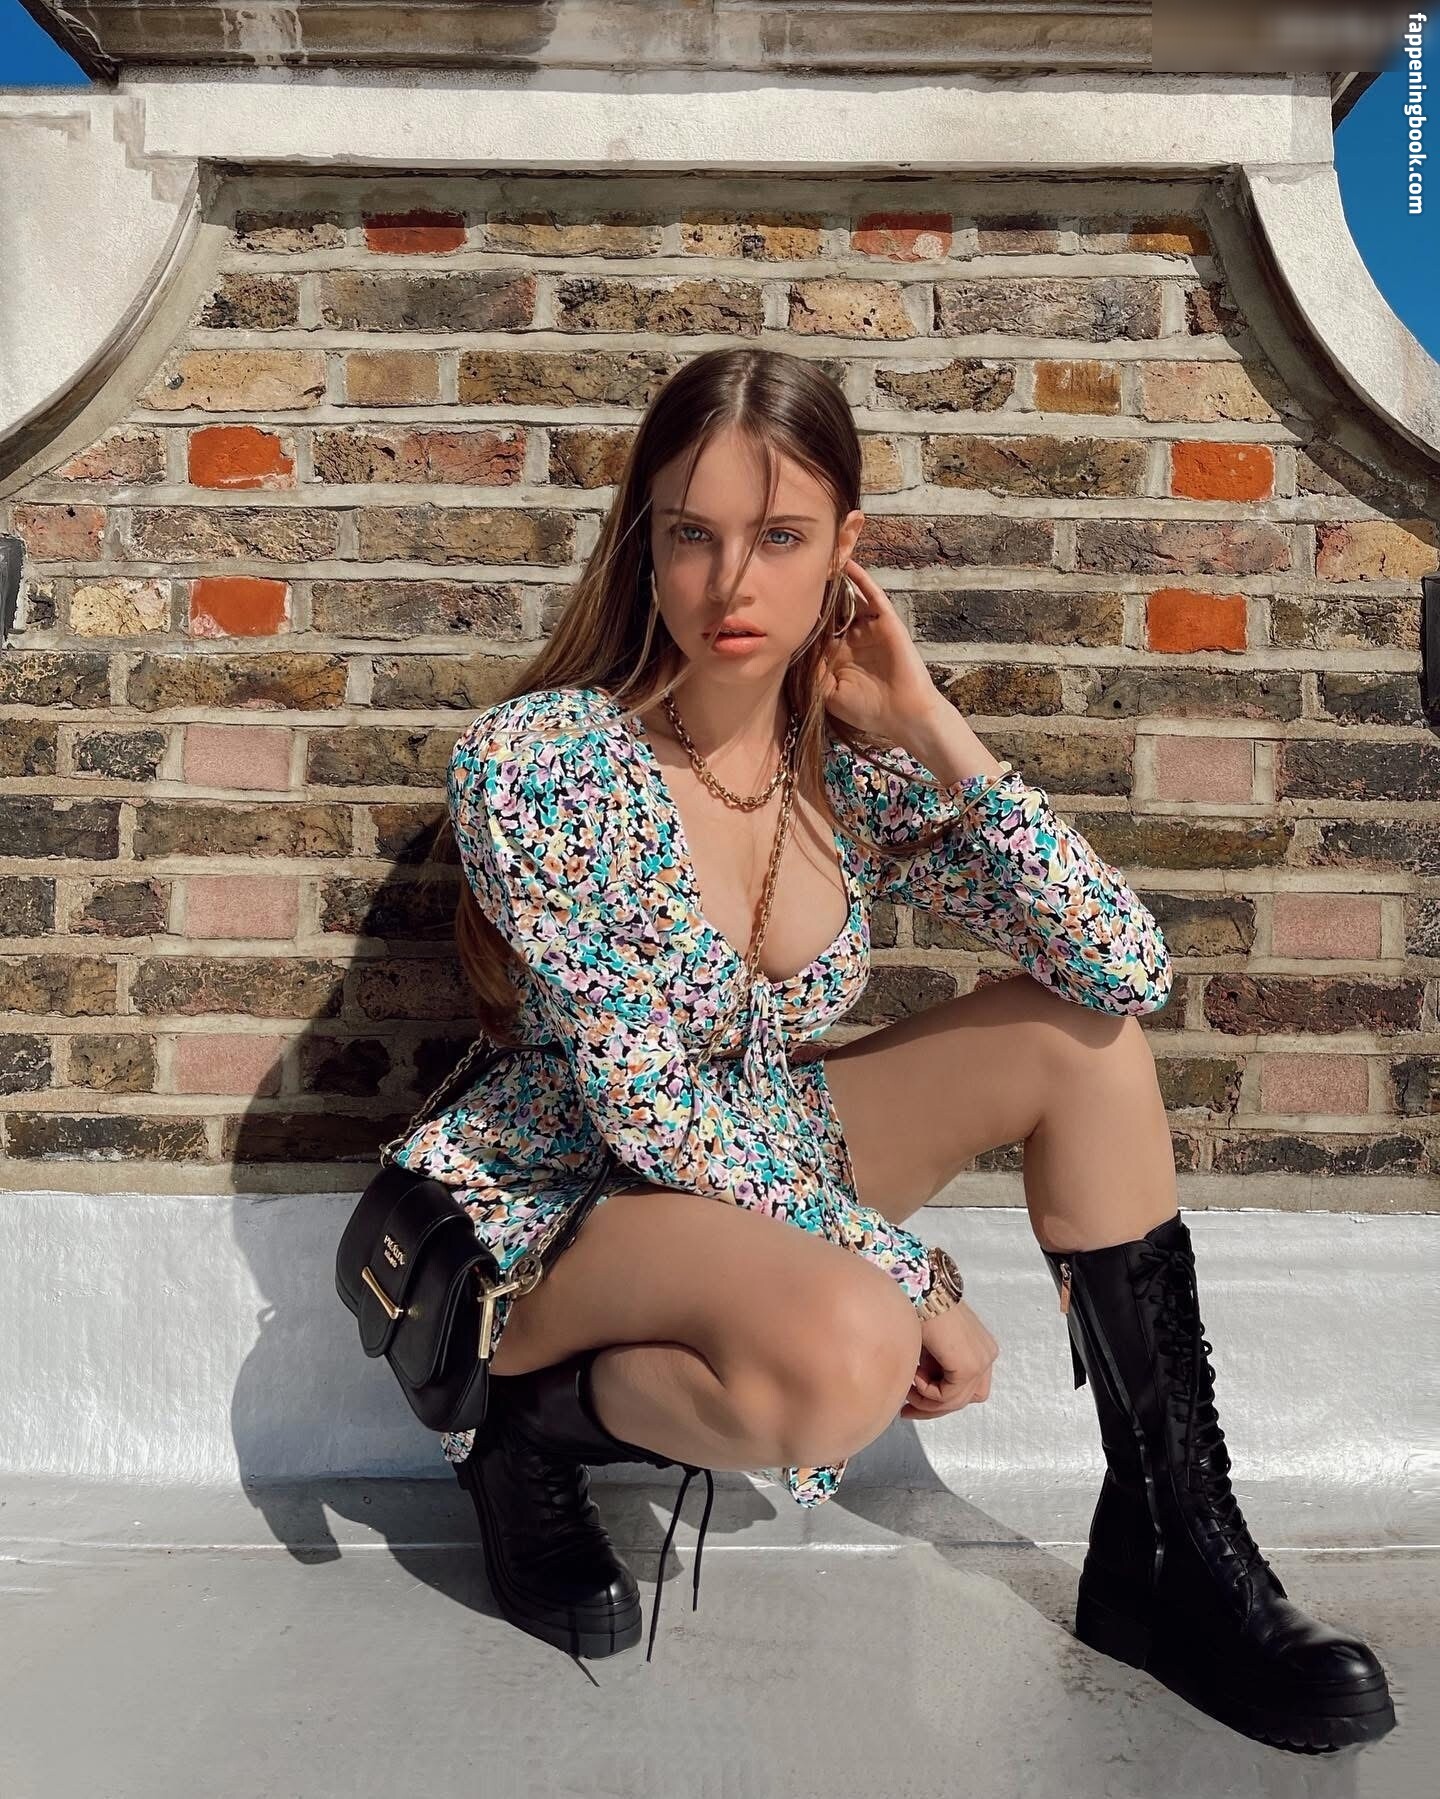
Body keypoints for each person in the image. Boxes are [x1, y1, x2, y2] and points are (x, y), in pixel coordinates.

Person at [390, 346, 1395, 1749]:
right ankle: (523, 1434)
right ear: (646, 543)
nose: (731, 585)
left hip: (760, 1153)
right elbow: (644, 1104)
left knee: (1083, 1042)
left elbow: (1123, 967)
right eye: (692, 535)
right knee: (848, 1352)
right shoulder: (543, 760)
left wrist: (929, 722)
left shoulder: (846, 772)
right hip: (565, 1196)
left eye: (780, 538)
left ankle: (1178, 1543)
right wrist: (908, 1271)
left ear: (843, 555)